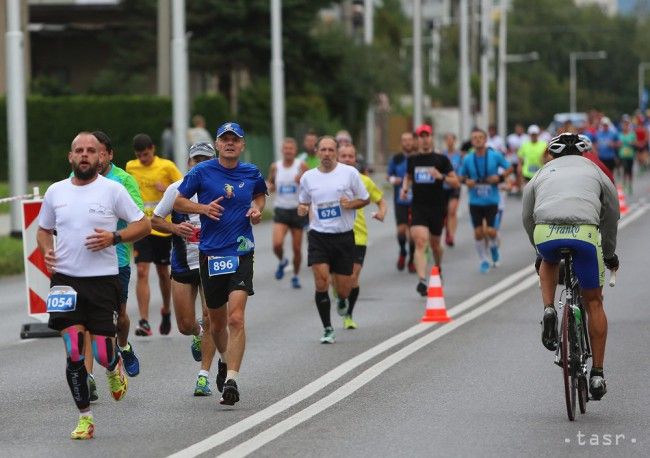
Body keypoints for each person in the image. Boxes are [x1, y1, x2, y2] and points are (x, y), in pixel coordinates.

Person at [37, 132, 150, 439]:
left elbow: (144, 224)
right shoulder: (55, 192)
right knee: (74, 350)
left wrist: (114, 237)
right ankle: (85, 418)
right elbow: (44, 229)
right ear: (70, 157)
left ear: (101, 156)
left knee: (100, 352)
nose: (85, 155)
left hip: (102, 281)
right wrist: (47, 249)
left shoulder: (113, 190)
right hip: (65, 280)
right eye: (79, 150)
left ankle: (113, 367)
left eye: (91, 150)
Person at [174, 122, 267, 406]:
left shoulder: (251, 172)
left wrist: (256, 209)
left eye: (234, 140)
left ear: (242, 145)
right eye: (224, 139)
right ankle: (224, 362)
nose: (229, 144)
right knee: (216, 324)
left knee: (236, 317)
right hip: (211, 254)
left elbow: (260, 195)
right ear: (216, 144)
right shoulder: (201, 172)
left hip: (241, 251)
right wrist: (202, 208)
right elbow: (178, 202)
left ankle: (232, 380)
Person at [522, 133, 619, 401]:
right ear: (584, 153)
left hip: (546, 232)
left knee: (548, 259)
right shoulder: (596, 171)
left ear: (552, 155)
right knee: (594, 303)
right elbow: (612, 214)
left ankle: (550, 309)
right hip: (585, 235)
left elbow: (526, 214)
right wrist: (609, 253)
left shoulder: (541, 173)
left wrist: (538, 247)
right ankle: (597, 374)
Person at [151, 142, 218, 396]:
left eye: (205, 159)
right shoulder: (176, 189)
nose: (200, 164)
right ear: (189, 163)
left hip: (212, 262)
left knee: (211, 316)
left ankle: (204, 376)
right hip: (182, 263)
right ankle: (197, 332)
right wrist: (176, 229)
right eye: (196, 159)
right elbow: (155, 220)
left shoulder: (219, 188)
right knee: (184, 324)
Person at [82, 131, 144, 404]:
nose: (95, 156)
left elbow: (139, 218)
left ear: (108, 154)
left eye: (100, 151)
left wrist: (112, 229)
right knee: (85, 322)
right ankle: (87, 379)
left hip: (116, 260)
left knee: (119, 319)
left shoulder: (122, 182)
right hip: (84, 264)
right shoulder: (79, 181)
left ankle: (123, 346)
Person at [298, 136, 370, 343]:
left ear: (336, 152)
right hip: (319, 236)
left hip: (344, 237)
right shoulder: (308, 177)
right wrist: (302, 209)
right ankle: (327, 328)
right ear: (317, 152)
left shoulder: (349, 173)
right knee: (321, 282)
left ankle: (343, 299)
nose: (327, 154)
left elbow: (364, 198)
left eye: (331, 150)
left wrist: (351, 204)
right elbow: (302, 203)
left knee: (343, 287)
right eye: (323, 150)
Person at [126, 134, 182, 336]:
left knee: (162, 273)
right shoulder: (131, 167)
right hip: (142, 227)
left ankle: (166, 310)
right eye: (140, 155)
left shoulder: (166, 166)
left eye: (146, 154)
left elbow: (185, 188)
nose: (143, 158)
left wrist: (166, 188)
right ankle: (144, 321)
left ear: (153, 149)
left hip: (163, 227)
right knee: (141, 271)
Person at [400, 124, 459, 296]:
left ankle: (438, 266)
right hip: (418, 206)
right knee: (420, 241)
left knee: (435, 245)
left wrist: (440, 176)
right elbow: (408, 177)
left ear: (431, 138)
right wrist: (405, 188)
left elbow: (455, 182)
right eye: (421, 136)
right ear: (417, 140)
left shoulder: (441, 160)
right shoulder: (412, 160)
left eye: (427, 136)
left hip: (437, 207)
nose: (424, 139)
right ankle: (422, 280)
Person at [336, 143, 386, 329]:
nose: (347, 159)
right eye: (344, 156)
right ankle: (341, 296)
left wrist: (381, 212)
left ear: (355, 159)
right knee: (337, 279)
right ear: (337, 158)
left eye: (351, 156)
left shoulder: (364, 180)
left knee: (352, 278)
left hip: (358, 235)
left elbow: (381, 201)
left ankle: (348, 315)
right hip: (334, 234)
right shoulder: (328, 179)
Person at [458, 128, 512, 273]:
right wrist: (466, 181)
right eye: (474, 138)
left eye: (480, 137)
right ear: (471, 141)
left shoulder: (494, 156)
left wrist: (499, 178)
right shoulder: (468, 159)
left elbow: (509, 168)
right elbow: (460, 177)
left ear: (485, 139)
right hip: (475, 201)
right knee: (478, 233)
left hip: (491, 200)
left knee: (490, 231)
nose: (477, 140)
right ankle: (483, 260)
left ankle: (494, 246)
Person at [267, 137, 309, 289]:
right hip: (281, 209)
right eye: (286, 149)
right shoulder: (275, 166)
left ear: (295, 151)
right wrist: (269, 187)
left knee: (297, 248)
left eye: (291, 149)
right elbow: (270, 183)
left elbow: (311, 185)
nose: (288, 151)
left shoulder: (301, 165)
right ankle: (283, 260)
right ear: (282, 150)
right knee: (277, 244)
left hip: (297, 210)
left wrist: (302, 181)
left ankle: (296, 276)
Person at [386, 131, 416, 272]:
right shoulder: (396, 158)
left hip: (416, 199)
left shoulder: (418, 157)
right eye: (404, 140)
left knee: (413, 231)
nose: (407, 143)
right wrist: (394, 180)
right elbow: (389, 175)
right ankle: (403, 251)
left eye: (410, 140)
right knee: (402, 229)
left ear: (413, 142)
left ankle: (412, 259)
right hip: (401, 199)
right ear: (401, 143)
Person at [441, 133, 463, 247]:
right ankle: (447, 231)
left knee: (452, 211)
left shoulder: (459, 155)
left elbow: (462, 171)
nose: (449, 142)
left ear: (455, 141)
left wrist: (457, 178)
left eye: (451, 140)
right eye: (447, 139)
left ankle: (451, 235)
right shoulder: (441, 155)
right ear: (445, 141)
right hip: (442, 187)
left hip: (455, 186)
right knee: (444, 213)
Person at [617, 115, 636, 194]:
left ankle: (630, 185)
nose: (625, 126)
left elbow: (635, 143)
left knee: (630, 171)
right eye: (624, 124)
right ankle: (624, 185)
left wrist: (632, 143)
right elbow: (618, 144)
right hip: (622, 155)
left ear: (628, 125)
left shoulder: (632, 134)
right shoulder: (620, 134)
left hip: (630, 154)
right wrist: (619, 144)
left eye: (627, 124)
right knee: (625, 169)